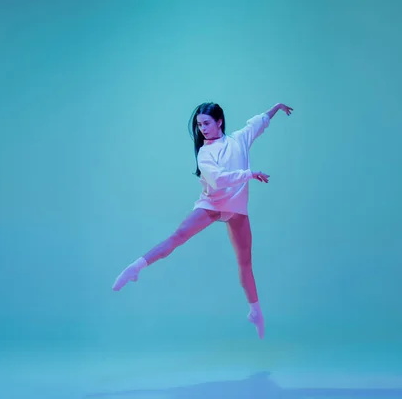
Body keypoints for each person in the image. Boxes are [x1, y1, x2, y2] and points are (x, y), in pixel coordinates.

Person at [112, 102, 294, 339]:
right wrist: (250, 174)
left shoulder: (239, 139)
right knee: (177, 237)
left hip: (236, 208)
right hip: (213, 204)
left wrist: (277, 108)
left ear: (219, 121)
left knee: (245, 262)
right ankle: (135, 268)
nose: (203, 128)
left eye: (206, 123)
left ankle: (255, 312)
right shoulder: (205, 153)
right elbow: (218, 180)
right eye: (199, 125)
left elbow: (259, 122)